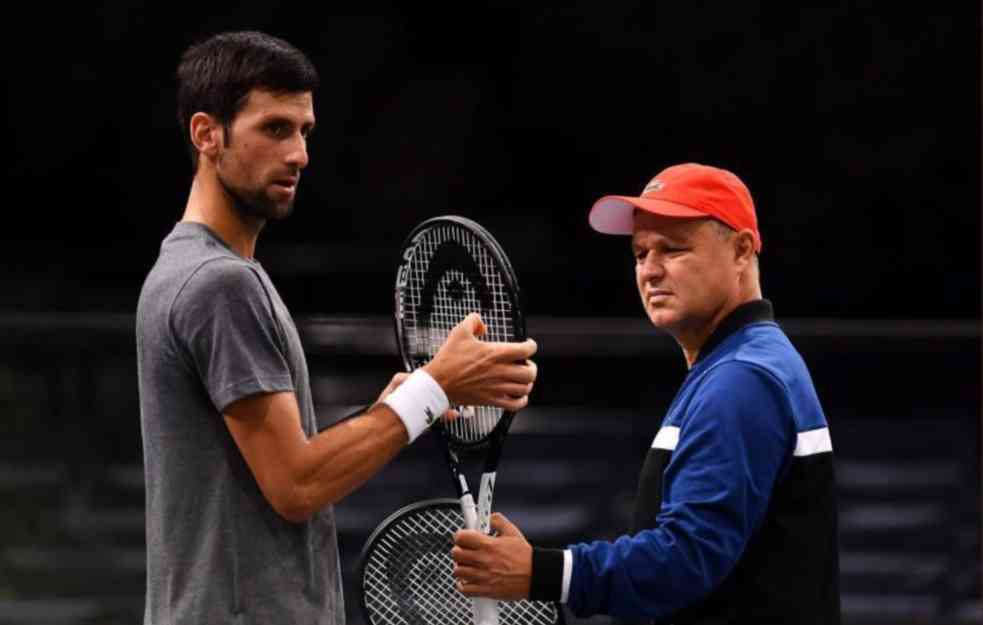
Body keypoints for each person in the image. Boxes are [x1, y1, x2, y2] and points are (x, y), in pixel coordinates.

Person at [135, 31, 538, 625]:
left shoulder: (194, 269)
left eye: (304, 132)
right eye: (275, 128)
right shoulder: (220, 284)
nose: (299, 154)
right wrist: (435, 389)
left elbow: (293, 468)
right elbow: (295, 485)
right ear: (207, 134)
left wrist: (396, 406)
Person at [451, 163, 840, 624]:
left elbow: (685, 557)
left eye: (673, 249)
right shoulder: (740, 367)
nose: (650, 271)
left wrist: (543, 572)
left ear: (741, 250)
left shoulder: (742, 377)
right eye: (639, 254)